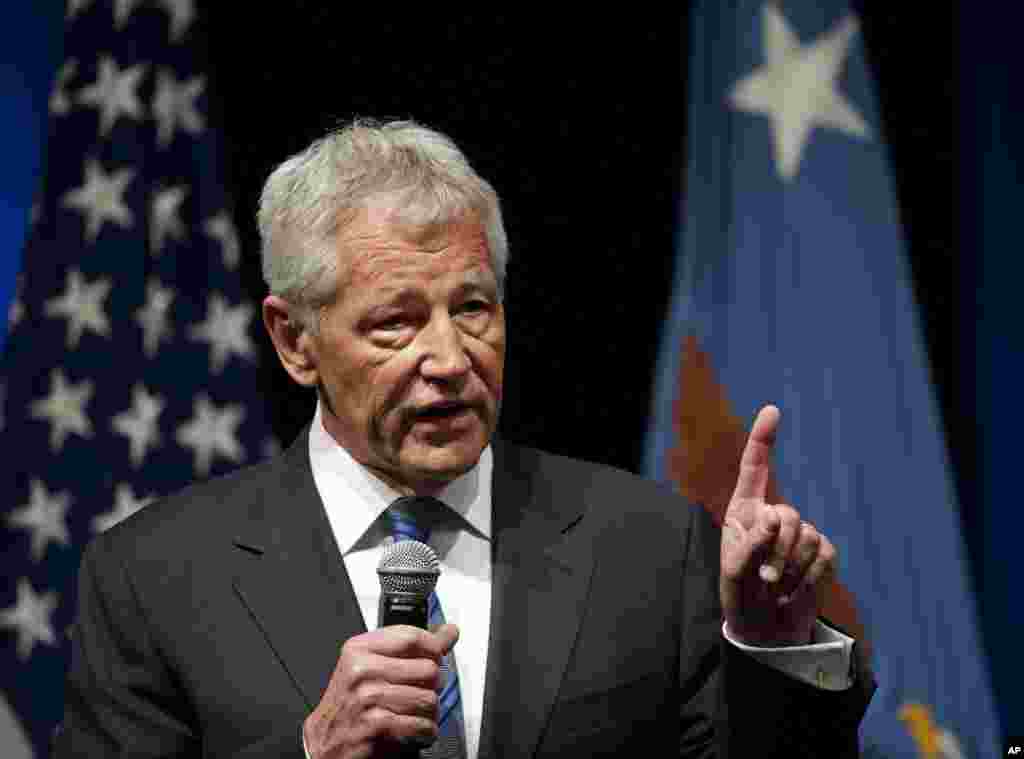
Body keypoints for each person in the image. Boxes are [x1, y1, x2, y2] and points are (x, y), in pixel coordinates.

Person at [56, 119, 875, 758]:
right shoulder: (154, 580)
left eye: (473, 308)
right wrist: (311, 751)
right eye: (396, 322)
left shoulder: (650, 546)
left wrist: (772, 647)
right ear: (294, 340)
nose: (449, 359)